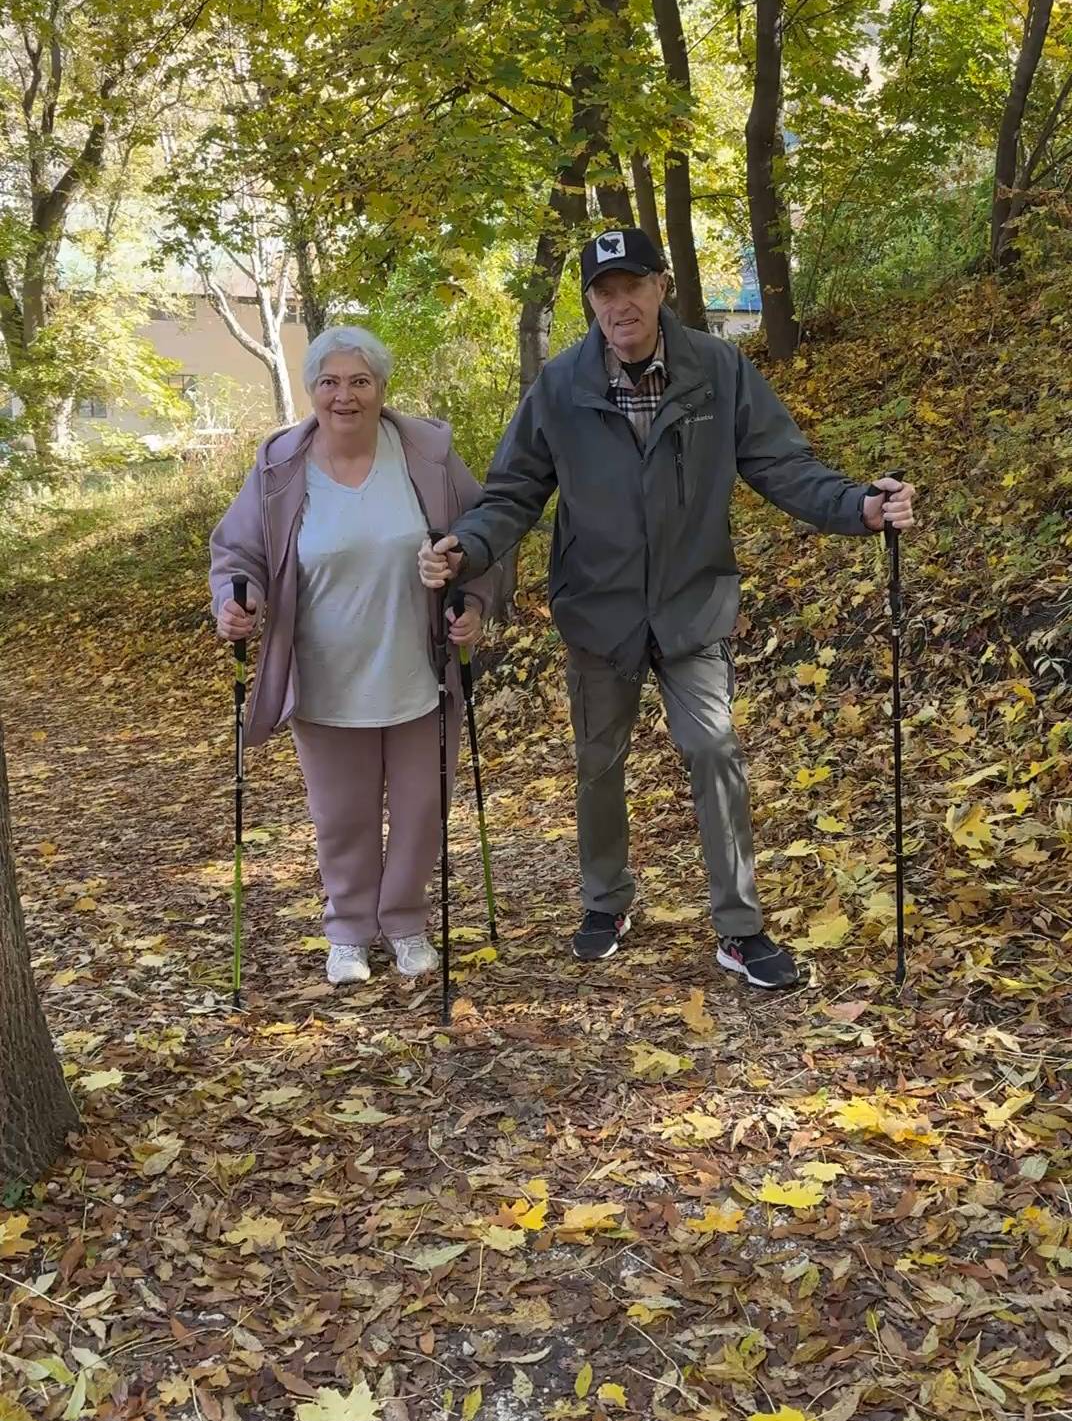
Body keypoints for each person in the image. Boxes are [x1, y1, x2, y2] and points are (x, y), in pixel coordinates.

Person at [419, 228, 916, 989]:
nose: (619, 303)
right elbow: (513, 491)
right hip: (597, 608)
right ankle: (606, 900)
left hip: (691, 605)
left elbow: (784, 464)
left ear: (660, 288)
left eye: (632, 285)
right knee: (598, 763)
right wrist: (469, 547)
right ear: (590, 302)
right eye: (603, 291)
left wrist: (860, 509)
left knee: (714, 749)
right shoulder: (558, 385)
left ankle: (740, 927)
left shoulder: (717, 370)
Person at [210, 325, 496, 989]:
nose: (345, 395)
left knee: (425, 805)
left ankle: (404, 922)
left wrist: (472, 598)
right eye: (330, 382)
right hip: (326, 676)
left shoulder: (426, 450)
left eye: (360, 381)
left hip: (419, 668)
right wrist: (234, 601)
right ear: (311, 390)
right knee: (343, 816)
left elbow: (484, 533)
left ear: (381, 388)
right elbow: (238, 552)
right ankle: (347, 931)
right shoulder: (280, 465)